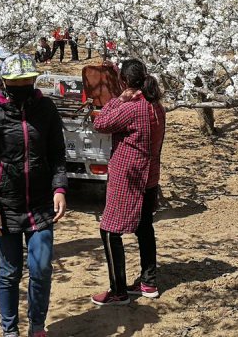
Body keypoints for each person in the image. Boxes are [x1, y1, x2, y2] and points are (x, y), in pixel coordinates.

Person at [0, 53, 68, 337]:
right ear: (5, 82)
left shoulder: (46, 109)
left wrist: (60, 187)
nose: (23, 85)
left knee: (41, 269)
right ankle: (9, 330)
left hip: (40, 204)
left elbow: (57, 154)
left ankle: (36, 326)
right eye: (17, 81)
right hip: (7, 204)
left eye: (28, 80)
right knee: (10, 272)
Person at [90, 58, 166, 306]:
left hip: (128, 177)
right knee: (144, 227)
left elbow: (100, 123)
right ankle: (148, 282)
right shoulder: (156, 106)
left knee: (110, 230)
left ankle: (118, 290)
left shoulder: (132, 108)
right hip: (149, 176)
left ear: (124, 81)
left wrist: (118, 99)